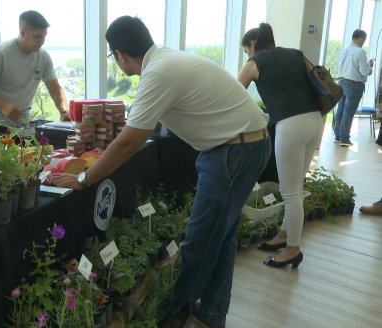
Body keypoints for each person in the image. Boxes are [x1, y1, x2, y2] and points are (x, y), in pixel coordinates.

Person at [50, 15, 271, 328]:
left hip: (233, 152)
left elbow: (128, 143)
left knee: (199, 240)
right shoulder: (166, 59)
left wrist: (85, 178)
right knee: (221, 236)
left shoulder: (158, 73)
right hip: (245, 145)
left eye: (113, 57)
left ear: (121, 55)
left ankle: (171, 316)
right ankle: (211, 314)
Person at [238, 23, 324, 269]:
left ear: (253, 45)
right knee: (296, 185)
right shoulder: (295, 54)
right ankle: (284, 234)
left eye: (246, 51)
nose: (247, 56)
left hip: (291, 125)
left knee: (290, 191)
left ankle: (293, 249)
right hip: (315, 120)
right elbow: (316, 77)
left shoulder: (254, 64)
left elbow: (234, 93)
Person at [0, 10, 69, 136]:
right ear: (23, 32)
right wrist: (3, 105)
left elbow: (55, 89)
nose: (42, 41)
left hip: (23, 124)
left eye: (44, 36)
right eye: (38, 36)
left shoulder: (43, 57)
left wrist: (64, 111)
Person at [335, 29, 374, 147]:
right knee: (349, 112)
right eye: (364, 40)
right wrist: (370, 66)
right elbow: (364, 71)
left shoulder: (344, 50)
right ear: (360, 38)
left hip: (341, 82)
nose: (364, 42)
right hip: (354, 85)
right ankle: (345, 139)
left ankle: (338, 136)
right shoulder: (360, 52)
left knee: (340, 111)